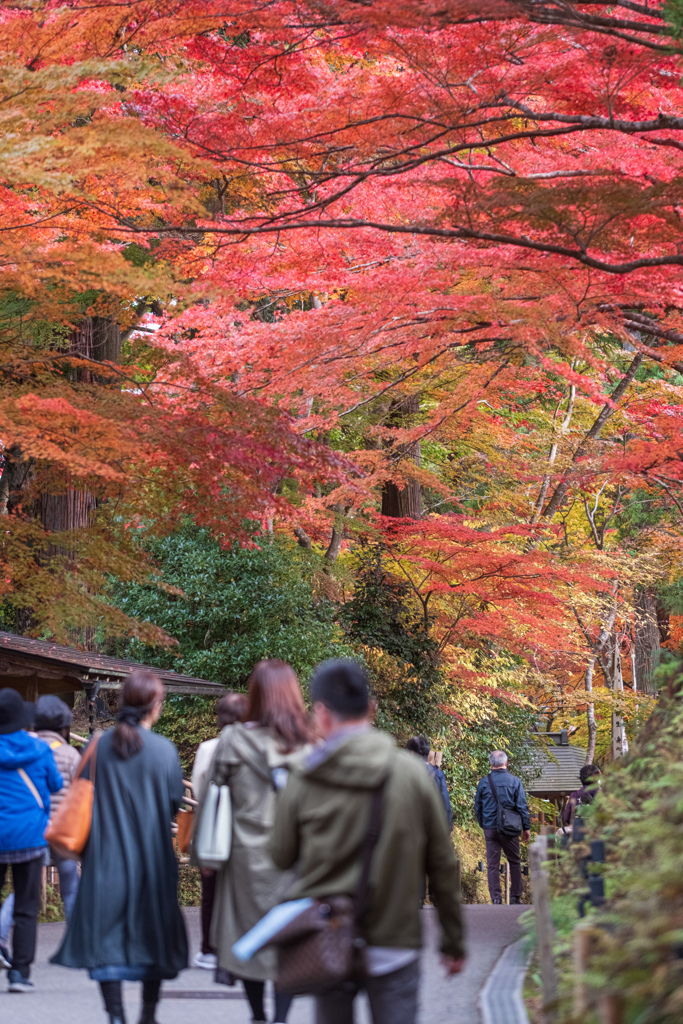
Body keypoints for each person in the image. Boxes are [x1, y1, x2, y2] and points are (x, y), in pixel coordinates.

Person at [271, 659, 465, 1024]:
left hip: (328, 938)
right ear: (371, 709)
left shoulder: (304, 775)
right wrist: (453, 940)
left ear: (322, 713)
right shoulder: (412, 774)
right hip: (395, 939)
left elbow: (281, 855)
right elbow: (442, 863)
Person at [52, 671, 188, 1024]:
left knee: (106, 939)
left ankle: (115, 1015)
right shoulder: (164, 750)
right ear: (155, 706)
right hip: (153, 858)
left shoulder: (98, 745)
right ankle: (148, 1015)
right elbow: (174, 802)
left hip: (105, 856)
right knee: (154, 936)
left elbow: (80, 796)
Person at [210, 660, 313, 1024]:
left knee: (251, 934)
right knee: (286, 935)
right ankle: (281, 1018)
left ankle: (257, 1015)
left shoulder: (233, 740)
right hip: (296, 857)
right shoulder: (307, 745)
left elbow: (214, 792)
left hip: (245, 854)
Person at [0, 687, 63, 993]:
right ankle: (20, 974)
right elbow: (56, 784)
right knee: (26, 907)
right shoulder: (40, 749)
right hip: (30, 837)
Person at [190, 691, 248, 970]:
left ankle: (209, 949)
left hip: (212, 825)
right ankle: (238, 947)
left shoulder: (208, 747)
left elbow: (199, 789)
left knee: (210, 890)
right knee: (240, 889)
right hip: (245, 828)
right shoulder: (256, 745)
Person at [34, 695, 82, 922]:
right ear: (64, 729)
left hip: (35, 829)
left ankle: (2, 933)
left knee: (28, 889)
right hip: (63, 831)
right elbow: (80, 792)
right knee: (71, 887)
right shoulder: (71, 754)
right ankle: (76, 941)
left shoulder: (28, 752)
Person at [474, 750, 531, 906]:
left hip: (490, 827)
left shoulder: (483, 782)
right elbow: (521, 806)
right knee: (514, 860)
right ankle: (515, 897)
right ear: (506, 763)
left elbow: (477, 806)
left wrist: (483, 824)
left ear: (491, 764)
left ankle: (496, 898)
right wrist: (526, 828)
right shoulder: (515, 781)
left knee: (492, 864)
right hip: (510, 828)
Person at [406, 736, 453, 832]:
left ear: (411, 752)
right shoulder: (438, 774)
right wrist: (448, 826)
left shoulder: (403, 771)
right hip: (429, 827)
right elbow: (444, 801)